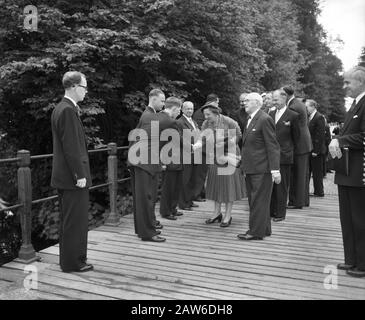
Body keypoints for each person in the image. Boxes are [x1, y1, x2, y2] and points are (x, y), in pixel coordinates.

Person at [51, 71, 93, 273]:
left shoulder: (62, 108)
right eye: (84, 87)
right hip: (72, 178)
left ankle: (71, 260)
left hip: (66, 177)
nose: (86, 91)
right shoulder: (67, 110)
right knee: (74, 221)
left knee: (71, 221)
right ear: (74, 86)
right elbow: (71, 148)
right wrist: (80, 175)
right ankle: (73, 263)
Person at [329, 65, 365, 277]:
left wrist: (339, 140)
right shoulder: (355, 104)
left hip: (359, 171)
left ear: (360, 82)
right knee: (348, 219)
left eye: (347, 82)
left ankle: (362, 263)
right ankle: (351, 258)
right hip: (347, 171)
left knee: (360, 219)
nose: (344, 86)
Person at [193, 103, 245, 227]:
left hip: (229, 156)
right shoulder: (206, 123)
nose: (206, 117)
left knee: (228, 186)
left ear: (216, 113)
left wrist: (230, 142)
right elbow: (202, 137)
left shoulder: (229, 121)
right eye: (204, 114)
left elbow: (239, 134)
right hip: (215, 156)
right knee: (216, 185)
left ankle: (228, 215)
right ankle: (216, 213)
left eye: (208, 114)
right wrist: (198, 144)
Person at [128, 89, 169, 242]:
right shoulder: (149, 116)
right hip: (144, 163)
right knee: (146, 198)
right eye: (162, 101)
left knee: (145, 198)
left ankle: (145, 227)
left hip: (142, 162)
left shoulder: (148, 115)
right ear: (153, 99)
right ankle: (148, 233)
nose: (163, 104)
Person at [238, 92, 281, 240]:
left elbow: (273, 146)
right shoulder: (250, 119)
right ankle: (265, 229)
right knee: (256, 200)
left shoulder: (264, 119)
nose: (244, 103)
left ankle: (255, 232)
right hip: (251, 168)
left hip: (261, 169)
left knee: (258, 201)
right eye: (244, 101)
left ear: (257, 102)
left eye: (248, 101)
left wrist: (275, 170)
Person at [269, 90, 299, 222]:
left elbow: (296, 137)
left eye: (276, 99)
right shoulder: (270, 113)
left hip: (284, 155)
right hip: (271, 155)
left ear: (284, 98)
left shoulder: (293, 115)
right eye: (273, 99)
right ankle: (271, 210)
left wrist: (290, 151)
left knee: (281, 185)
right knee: (271, 185)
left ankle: (280, 213)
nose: (274, 102)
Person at [282, 86, 313, 209]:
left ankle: (296, 202)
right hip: (303, 143)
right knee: (302, 174)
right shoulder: (298, 103)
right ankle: (303, 200)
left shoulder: (293, 106)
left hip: (299, 144)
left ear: (286, 95)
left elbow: (290, 127)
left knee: (298, 174)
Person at [191, 94, 220, 202]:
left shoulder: (199, 112)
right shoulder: (203, 114)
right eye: (217, 103)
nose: (217, 105)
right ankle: (197, 194)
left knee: (201, 172)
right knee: (200, 173)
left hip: (202, 146)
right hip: (202, 147)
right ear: (212, 102)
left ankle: (201, 192)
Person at [159, 97, 184, 220]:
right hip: (170, 158)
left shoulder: (159, 117)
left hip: (169, 157)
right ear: (174, 108)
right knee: (170, 186)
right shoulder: (170, 121)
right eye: (179, 110)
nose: (179, 112)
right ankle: (166, 211)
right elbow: (177, 139)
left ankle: (172, 208)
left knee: (174, 185)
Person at [177, 101, 201, 210]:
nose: (190, 111)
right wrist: (191, 146)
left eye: (191, 109)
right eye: (187, 109)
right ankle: (183, 203)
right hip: (185, 154)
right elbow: (179, 138)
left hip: (195, 153)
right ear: (182, 109)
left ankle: (190, 200)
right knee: (184, 179)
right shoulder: (179, 122)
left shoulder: (194, 122)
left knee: (192, 178)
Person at [306, 99, 326, 197]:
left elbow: (320, 135)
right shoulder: (309, 117)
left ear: (313, 106)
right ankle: (308, 191)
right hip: (310, 149)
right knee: (309, 171)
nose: (306, 109)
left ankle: (319, 191)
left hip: (316, 150)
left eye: (307, 107)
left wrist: (316, 151)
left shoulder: (319, 117)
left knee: (317, 172)